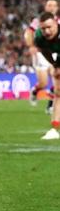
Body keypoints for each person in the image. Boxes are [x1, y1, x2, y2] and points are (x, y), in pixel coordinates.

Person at [26, 0, 58, 113]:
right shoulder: (38, 21)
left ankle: (51, 105)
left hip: (55, 52)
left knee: (57, 76)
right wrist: (31, 46)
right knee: (43, 83)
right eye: (49, 5)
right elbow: (29, 33)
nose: (52, 7)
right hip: (41, 53)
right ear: (45, 7)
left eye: (54, 5)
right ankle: (35, 91)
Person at [33, 12, 60, 140]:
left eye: (50, 27)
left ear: (56, 23)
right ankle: (54, 128)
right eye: (43, 28)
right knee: (59, 91)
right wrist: (55, 65)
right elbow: (45, 51)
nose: (47, 31)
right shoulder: (39, 38)